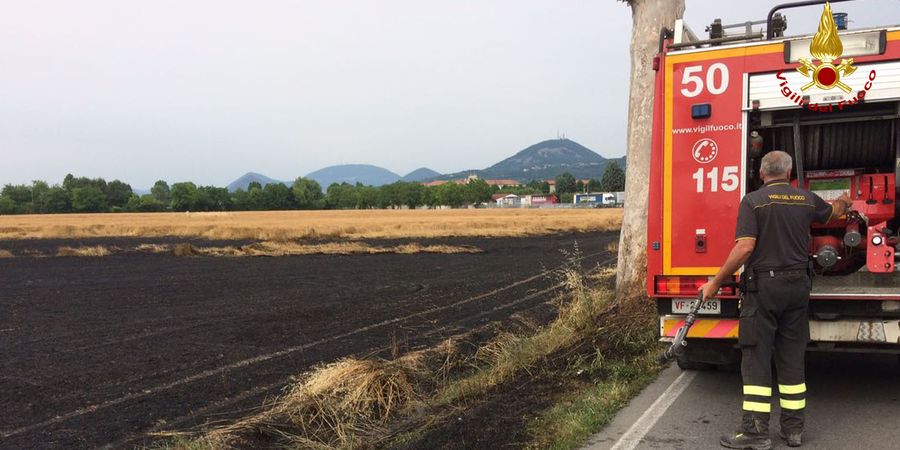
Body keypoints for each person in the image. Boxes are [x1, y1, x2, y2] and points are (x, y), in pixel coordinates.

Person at [699, 151, 852, 450]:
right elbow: (834, 211)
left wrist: (716, 282)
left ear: (761, 174)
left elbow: (745, 248)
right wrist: (845, 201)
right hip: (798, 287)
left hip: (764, 289)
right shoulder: (806, 199)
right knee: (792, 356)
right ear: (790, 173)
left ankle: (756, 433)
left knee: (756, 356)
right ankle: (793, 431)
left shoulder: (753, 202)